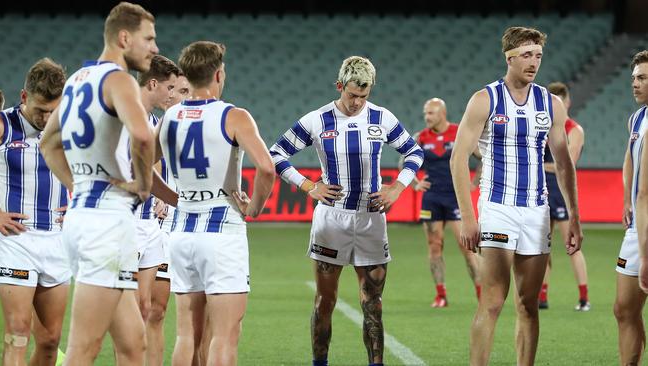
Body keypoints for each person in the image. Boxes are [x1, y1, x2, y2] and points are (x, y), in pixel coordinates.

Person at [270, 56, 423, 366]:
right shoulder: (318, 119)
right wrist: (308, 185)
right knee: (325, 301)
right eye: (352, 95)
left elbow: (414, 151)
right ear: (340, 86)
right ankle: (320, 363)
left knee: (373, 303)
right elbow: (276, 153)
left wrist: (397, 187)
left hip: (371, 219)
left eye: (363, 96)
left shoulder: (381, 118)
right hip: (332, 218)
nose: (357, 102)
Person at [450, 26, 583, 365]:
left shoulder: (550, 104)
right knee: (493, 300)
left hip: (536, 212)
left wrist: (575, 217)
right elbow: (458, 158)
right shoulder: (485, 99)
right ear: (509, 57)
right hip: (497, 208)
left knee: (528, 304)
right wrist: (468, 217)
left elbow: (565, 164)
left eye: (538, 55)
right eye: (526, 55)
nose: (534, 61)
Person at [39, 2, 158, 364]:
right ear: (124, 38)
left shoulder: (77, 79)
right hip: (105, 225)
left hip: (87, 217)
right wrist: (142, 184)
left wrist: (77, 185)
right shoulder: (118, 79)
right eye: (148, 38)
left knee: (134, 344)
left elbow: (48, 141)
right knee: (83, 349)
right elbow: (142, 134)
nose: (154, 47)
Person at [159, 41, 275, 366]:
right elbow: (267, 168)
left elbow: (140, 167)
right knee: (224, 337)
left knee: (186, 336)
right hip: (222, 229)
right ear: (219, 74)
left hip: (181, 233)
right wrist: (254, 209)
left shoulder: (170, 116)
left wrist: (175, 198)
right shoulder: (233, 116)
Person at [0, 58, 69, 366]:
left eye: (52, 109)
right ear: (24, 97)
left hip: (57, 239)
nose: (46, 117)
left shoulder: (70, 129)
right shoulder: (2, 125)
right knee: (18, 331)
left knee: (51, 341)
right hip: (15, 241)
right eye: (40, 109)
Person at [114, 54, 179, 365]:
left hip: (151, 225)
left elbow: (151, 168)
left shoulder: (155, 121)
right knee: (121, 315)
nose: (173, 93)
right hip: (122, 225)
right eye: (169, 87)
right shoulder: (122, 115)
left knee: (148, 309)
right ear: (153, 83)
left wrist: (166, 197)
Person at [410, 97, 480, 307]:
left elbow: (482, 157)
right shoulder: (420, 138)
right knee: (434, 246)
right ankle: (440, 295)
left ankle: (481, 293)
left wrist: (474, 183)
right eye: (425, 113)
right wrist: (415, 183)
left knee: (467, 246)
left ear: (442, 113)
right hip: (431, 199)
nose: (426, 117)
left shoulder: (459, 133)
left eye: (430, 113)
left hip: (456, 198)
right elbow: (405, 161)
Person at [147, 69, 189, 366]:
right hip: (161, 227)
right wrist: (159, 196)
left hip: (196, 227)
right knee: (155, 309)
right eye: (172, 89)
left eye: (183, 90)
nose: (174, 94)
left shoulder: (208, 126)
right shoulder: (151, 123)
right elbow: (141, 165)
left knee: (198, 315)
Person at [538, 81, 589, 311]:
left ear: (566, 102)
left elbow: (568, 164)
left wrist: (540, 165)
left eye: (558, 101)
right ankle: (542, 297)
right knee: (541, 246)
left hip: (561, 191)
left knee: (571, 245)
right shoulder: (543, 127)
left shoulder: (573, 129)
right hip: (541, 190)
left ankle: (584, 298)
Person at [615, 49, 648, 366]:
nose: (635, 84)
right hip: (638, 224)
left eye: (643, 78)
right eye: (633, 78)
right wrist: (626, 197)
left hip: (646, 225)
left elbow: (646, 193)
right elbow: (629, 157)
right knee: (624, 308)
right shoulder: (637, 119)